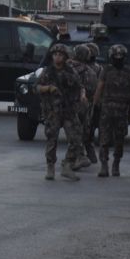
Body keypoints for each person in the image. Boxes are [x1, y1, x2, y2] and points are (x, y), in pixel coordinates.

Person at [37, 42, 84, 181]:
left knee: (76, 139)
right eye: (55, 55)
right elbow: (37, 87)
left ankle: (68, 165)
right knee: (52, 140)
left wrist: (82, 96)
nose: (57, 57)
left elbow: (79, 86)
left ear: (65, 57)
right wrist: (48, 88)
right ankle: (50, 167)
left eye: (60, 55)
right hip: (53, 111)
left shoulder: (71, 71)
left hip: (68, 110)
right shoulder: (47, 72)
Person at [93, 43, 130, 177]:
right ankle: (104, 165)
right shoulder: (106, 71)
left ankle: (116, 164)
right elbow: (99, 88)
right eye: (116, 56)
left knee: (119, 140)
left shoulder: (129, 73)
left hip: (122, 110)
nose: (118, 58)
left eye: (120, 56)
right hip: (107, 109)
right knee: (104, 139)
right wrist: (95, 105)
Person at [71, 43, 100, 168]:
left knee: (74, 131)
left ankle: (78, 156)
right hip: (87, 105)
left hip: (70, 105)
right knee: (85, 130)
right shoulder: (93, 71)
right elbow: (95, 89)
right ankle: (85, 154)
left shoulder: (68, 67)